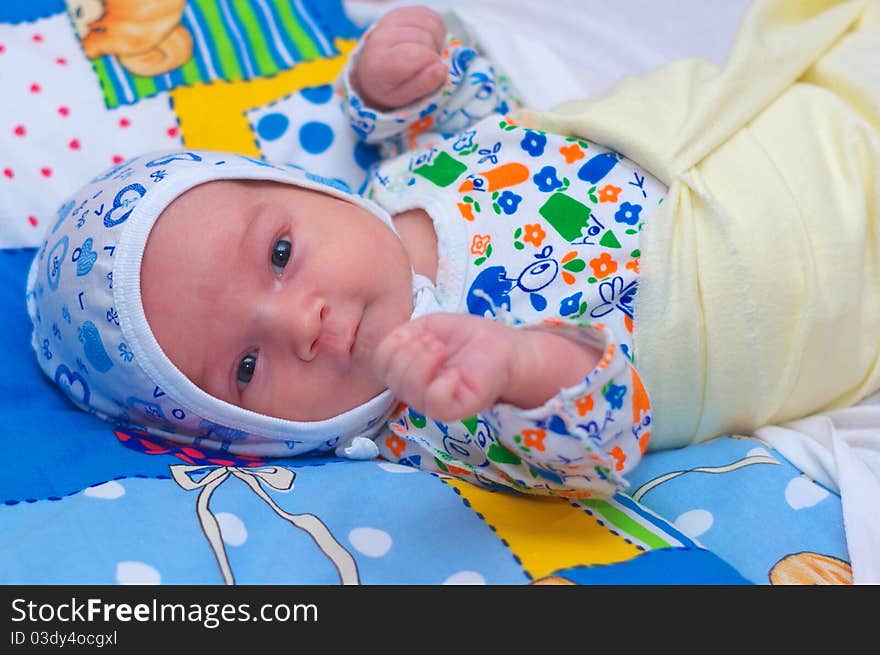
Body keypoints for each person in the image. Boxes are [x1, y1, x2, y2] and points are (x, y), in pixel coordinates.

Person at [26, 1, 880, 501]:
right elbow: (603, 440)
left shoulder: (401, 182)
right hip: (799, 276)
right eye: (246, 368)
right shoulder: (428, 416)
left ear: (302, 190)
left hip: (747, 127)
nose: (303, 320)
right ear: (249, 437)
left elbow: (488, 114)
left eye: (282, 253)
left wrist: (390, 91)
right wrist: (520, 367)